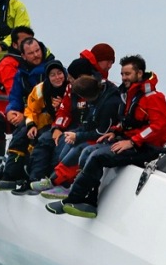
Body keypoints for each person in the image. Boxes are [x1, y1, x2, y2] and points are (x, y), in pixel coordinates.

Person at [58, 54, 166, 218]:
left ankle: (76, 200)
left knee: (97, 156)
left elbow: (157, 127)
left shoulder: (153, 98)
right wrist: (115, 131)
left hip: (146, 147)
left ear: (139, 73)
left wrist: (132, 142)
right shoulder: (130, 94)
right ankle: (86, 199)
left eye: (128, 74)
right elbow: (129, 121)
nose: (124, 77)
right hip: (131, 141)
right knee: (88, 151)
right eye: (122, 74)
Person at [0, 36, 53, 182]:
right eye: (31, 53)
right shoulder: (21, 73)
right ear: (23, 56)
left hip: (42, 117)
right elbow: (14, 97)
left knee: (22, 131)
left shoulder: (51, 70)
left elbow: (46, 102)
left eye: (37, 51)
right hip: (26, 114)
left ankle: (10, 172)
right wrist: (11, 111)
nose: (36, 55)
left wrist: (25, 115)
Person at [34, 64, 123, 197]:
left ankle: (60, 184)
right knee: (66, 146)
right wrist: (75, 134)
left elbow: (101, 132)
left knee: (80, 149)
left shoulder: (108, 104)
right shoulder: (94, 98)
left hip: (107, 137)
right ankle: (57, 181)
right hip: (94, 133)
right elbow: (88, 122)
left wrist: (78, 136)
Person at [0, 60, 68, 193]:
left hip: (62, 126)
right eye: (52, 75)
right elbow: (30, 109)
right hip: (44, 122)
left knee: (41, 140)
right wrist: (31, 125)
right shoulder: (41, 89)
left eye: (59, 73)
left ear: (64, 74)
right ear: (48, 77)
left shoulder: (70, 88)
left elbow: (73, 111)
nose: (57, 77)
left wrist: (62, 106)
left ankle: (33, 180)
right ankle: (9, 176)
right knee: (21, 134)